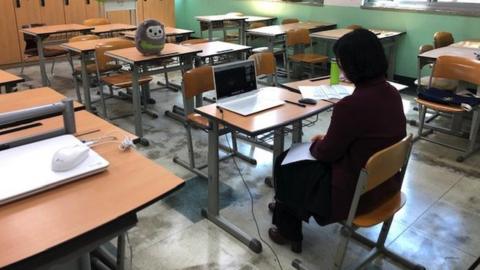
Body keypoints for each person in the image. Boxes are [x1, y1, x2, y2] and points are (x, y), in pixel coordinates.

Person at [268, 28, 407, 253]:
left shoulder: (351, 106)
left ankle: (287, 229)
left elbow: (326, 154)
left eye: (342, 64)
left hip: (354, 194)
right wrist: (332, 139)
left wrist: (317, 144)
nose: (341, 69)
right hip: (385, 184)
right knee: (297, 167)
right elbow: (368, 137)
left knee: (287, 162)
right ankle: (288, 205)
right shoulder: (392, 93)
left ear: (354, 66)